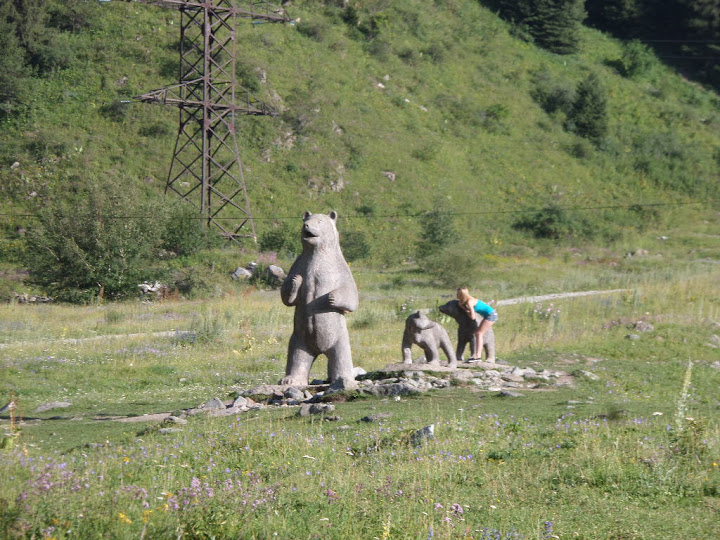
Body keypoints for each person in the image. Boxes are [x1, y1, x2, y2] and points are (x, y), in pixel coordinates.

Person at [456, 286, 497, 361]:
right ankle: (477, 356)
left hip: (491, 315)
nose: (457, 295)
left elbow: (473, 317)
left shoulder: (469, 302)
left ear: (461, 294)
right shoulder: (469, 300)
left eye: (458, 293)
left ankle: (477, 356)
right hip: (488, 315)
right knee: (478, 333)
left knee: (479, 333)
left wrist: (464, 309)